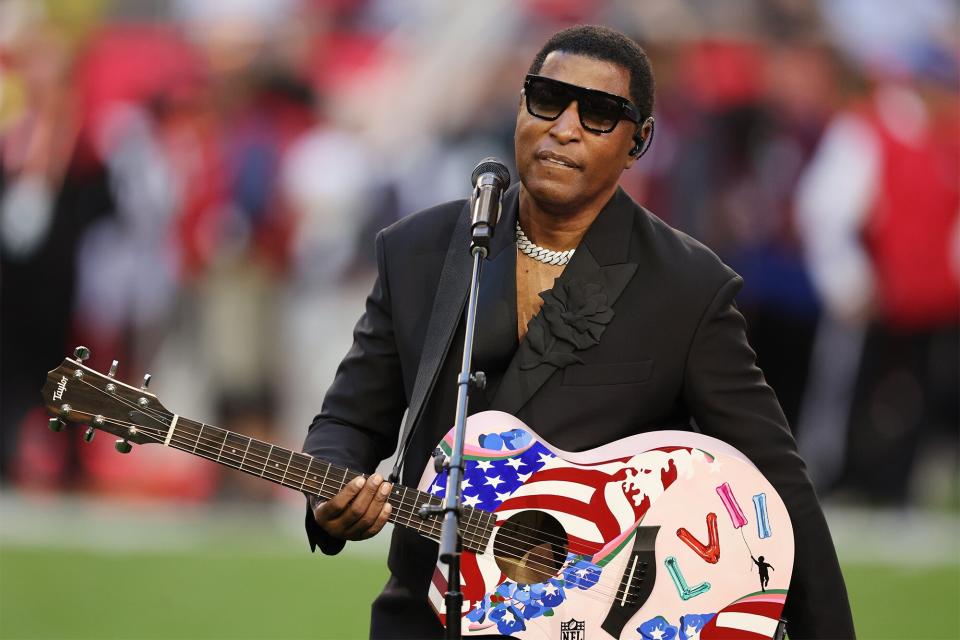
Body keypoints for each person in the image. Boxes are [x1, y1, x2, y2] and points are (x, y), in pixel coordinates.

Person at [303, 24, 855, 639]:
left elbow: (777, 482)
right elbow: (349, 421)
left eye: (598, 113)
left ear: (638, 142)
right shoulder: (419, 250)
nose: (563, 127)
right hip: (426, 616)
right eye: (546, 99)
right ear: (519, 106)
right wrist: (329, 493)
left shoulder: (688, 288)